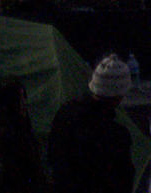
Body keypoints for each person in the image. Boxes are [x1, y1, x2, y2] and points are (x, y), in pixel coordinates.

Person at [45, 55, 133, 193]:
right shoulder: (116, 135)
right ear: (120, 95)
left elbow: (53, 157)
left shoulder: (65, 113)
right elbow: (122, 181)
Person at [0, 79, 46, 193]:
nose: (24, 103)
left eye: (24, 98)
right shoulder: (8, 135)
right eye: (21, 99)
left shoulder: (23, 126)